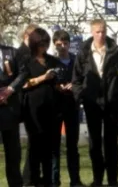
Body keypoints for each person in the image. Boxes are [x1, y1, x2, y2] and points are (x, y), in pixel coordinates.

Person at [72, 19, 118, 186]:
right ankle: (97, 178)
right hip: (92, 103)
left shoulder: (116, 51)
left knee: (111, 142)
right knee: (94, 143)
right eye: (97, 32)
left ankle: (112, 178)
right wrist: (81, 96)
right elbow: (77, 79)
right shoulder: (83, 52)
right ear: (92, 32)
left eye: (103, 31)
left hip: (111, 102)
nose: (101, 35)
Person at [22, 28, 66, 186]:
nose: (44, 48)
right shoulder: (27, 61)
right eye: (41, 44)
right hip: (33, 109)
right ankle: (32, 179)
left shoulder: (52, 61)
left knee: (49, 148)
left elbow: (59, 79)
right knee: (35, 145)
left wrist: (61, 85)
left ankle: (48, 181)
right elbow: (24, 84)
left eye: (46, 44)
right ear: (34, 44)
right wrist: (43, 77)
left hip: (51, 108)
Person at [51, 30, 83, 187]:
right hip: (55, 107)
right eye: (59, 44)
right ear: (54, 44)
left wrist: (74, 85)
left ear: (69, 44)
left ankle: (75, 180)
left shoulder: (76, 61)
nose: (62, 47)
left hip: (72, 105)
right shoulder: (51, 61)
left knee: (72, 145)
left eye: (65, 43)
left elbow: (83, 80)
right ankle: (54, 180)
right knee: (54, 145)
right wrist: (57, 86)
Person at [0, 37, 28, 187]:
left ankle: (15, 184)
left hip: (9, 109)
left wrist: (10, 90)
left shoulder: (11, 52)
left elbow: (23, 74)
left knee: (13, 153)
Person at [18, 23, 38, 186]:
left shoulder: (30, 53)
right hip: (24, 101)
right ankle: (27, 177)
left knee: (35, 140)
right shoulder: (22, 54)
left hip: (32, 101)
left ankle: (30, 176)